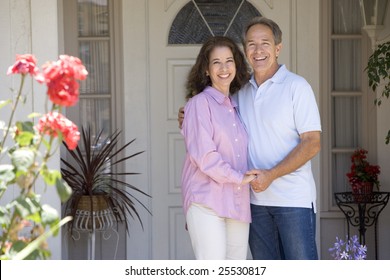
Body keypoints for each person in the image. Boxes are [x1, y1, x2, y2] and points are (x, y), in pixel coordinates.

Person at [179, 17, 321, 260]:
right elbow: (210, 124)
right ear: (245, 51)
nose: (258, 50)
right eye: (251, 44)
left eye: (265, 43)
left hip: (292, 200)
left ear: (278, 47)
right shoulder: (239, 93)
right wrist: (187, 114)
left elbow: (312, 143)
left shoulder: (297, 87)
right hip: (253, 201)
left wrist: (271, 175)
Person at [180, 36, 257, 260]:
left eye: (229, 61)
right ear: (206, 69)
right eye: (216, 62)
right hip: (206, 201)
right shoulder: (198, 104)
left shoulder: (236, 107)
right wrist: (239, 177)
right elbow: (205, 156)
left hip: (237, 202)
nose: (224, 68)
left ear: (236, 65)